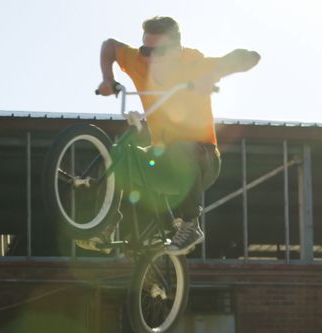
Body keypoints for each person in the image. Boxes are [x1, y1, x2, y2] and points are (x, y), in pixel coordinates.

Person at [97, 16, 260, 254]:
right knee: (121, 153)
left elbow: (250, 58)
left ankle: (191, 223)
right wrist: (108, 79)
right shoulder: (138, 62)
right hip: (163, 160)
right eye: (146, 49)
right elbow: (110, 46)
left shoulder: (193, 66)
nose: (151, 57)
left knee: (179, 148)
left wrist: (212, 76)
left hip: (202, 161)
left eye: (159, 51)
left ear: (176, 50)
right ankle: (106, 222)